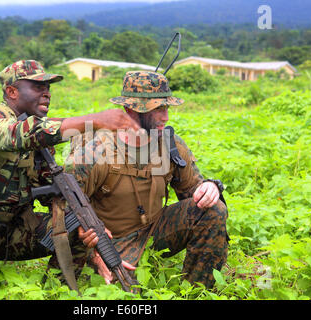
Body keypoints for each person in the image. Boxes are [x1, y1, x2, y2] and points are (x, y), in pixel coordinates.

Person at [0, 60, 140, 290]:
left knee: (76, 226)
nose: (47, 93)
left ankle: (57, 291)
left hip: (10, 231)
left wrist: (88, 228)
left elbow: (52, 191)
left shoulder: (38, 142)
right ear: (11, 91)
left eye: (48, 88)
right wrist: (93, 121)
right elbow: (16, 135)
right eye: (38, 87)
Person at [64, 70, 229, 288]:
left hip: (155, 230)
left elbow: (194, 190)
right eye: (158, 108)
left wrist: (209, 188)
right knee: (123, 288)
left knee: (214, 209)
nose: (166, 117)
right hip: (109, 242)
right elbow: (66, 211)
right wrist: (97, 253)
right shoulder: (94, 151)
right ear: (130, 109)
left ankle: (198, 290)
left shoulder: (170, 144)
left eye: (166, 107)